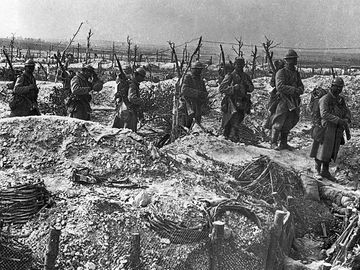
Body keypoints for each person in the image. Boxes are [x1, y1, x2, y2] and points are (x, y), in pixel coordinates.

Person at [309, 77, 351, 181]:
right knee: (322, 150)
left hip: (336, 129)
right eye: (336, 87)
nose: (338, 89)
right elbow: (324, 114)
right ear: (332, 86)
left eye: (340, 88)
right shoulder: (325, 99)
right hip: (326, 128)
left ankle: (326, 171)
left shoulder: (340, 99)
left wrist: (346, 118)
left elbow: (346, 110)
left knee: (332, 150)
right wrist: (338, 120)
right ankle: (317, 170)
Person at [269, 49, 304, 150]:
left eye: (295, 59)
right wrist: (293, 89)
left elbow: (301, 86)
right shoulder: (281, 72)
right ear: (288, 60)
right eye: (293, 59)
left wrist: (300, 90)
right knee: (279, 120)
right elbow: (279, 86)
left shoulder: (296, 73)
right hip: (283, 100)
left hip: (293, 101)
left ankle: (283, 143)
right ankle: (273, 142)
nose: (295, 61)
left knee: (289, 121)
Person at [219, 57, 254, 142]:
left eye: (241, 65)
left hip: (242, 101)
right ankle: (230, 137)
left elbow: (251, 88)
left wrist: (247, 85)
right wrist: (233, 88)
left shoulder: (246, 76)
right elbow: (222, 88)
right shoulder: (230, 75)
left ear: (244, 65)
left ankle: (231, 137)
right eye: (238, 65)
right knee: (231, 119)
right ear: (234, 65)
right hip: (232, 101)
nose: (239, 66)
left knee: (239, 119)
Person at [112, 67, 146, 132]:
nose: (142, 79)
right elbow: (132, 98)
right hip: (129, 112)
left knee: (119, 132)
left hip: (123, 108)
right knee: (130, 134)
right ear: (137, 75)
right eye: (142, 77)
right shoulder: (132, 84)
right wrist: (141, 101)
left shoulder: (129, 82)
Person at [179, 61, 208, 129]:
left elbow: (204, 92)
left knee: (196, 123)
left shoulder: (201, 80)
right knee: (186, 123)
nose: (199, 71)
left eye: (200, 69)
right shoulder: (187, 77)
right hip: (187, 104)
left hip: (197, 105)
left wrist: (204, 96)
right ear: (192, 69)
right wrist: (198, 93)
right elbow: (184, 90)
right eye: (197, 69)